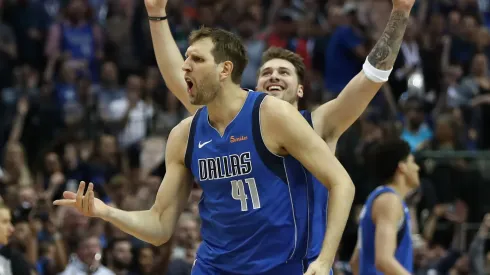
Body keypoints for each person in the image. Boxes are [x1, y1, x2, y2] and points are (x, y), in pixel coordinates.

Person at [54, 27, 355, 275]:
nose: (185, 66)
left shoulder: (272, 115)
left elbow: (342, 183)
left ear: (225, 69)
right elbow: (159, 225)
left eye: (196, 59)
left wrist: (326, 259)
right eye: (185, 58)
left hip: (281, 266)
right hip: (215, 267)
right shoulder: (184, 135)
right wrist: (106, 212)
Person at [145, 0, 415, 269]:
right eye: (266, 73)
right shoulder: (239, 120)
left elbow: (371, 77)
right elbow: (179, 79)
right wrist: (157, 15)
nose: (273, 76)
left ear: (300, 89)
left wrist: (400, 12)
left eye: (283, 72)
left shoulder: (319, 123)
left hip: (307, 265)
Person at [349, 139, 419, 275]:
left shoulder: (377, 198)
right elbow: (384, 260)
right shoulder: (389, 201)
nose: (417, 167)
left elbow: (355, 262)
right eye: (412, 161)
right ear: (402, 167)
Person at [0, 203, 32, 275]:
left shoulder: (19, 257)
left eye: (29, 231)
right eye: (21, 230)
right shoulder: (11, 257)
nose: (27, 235)